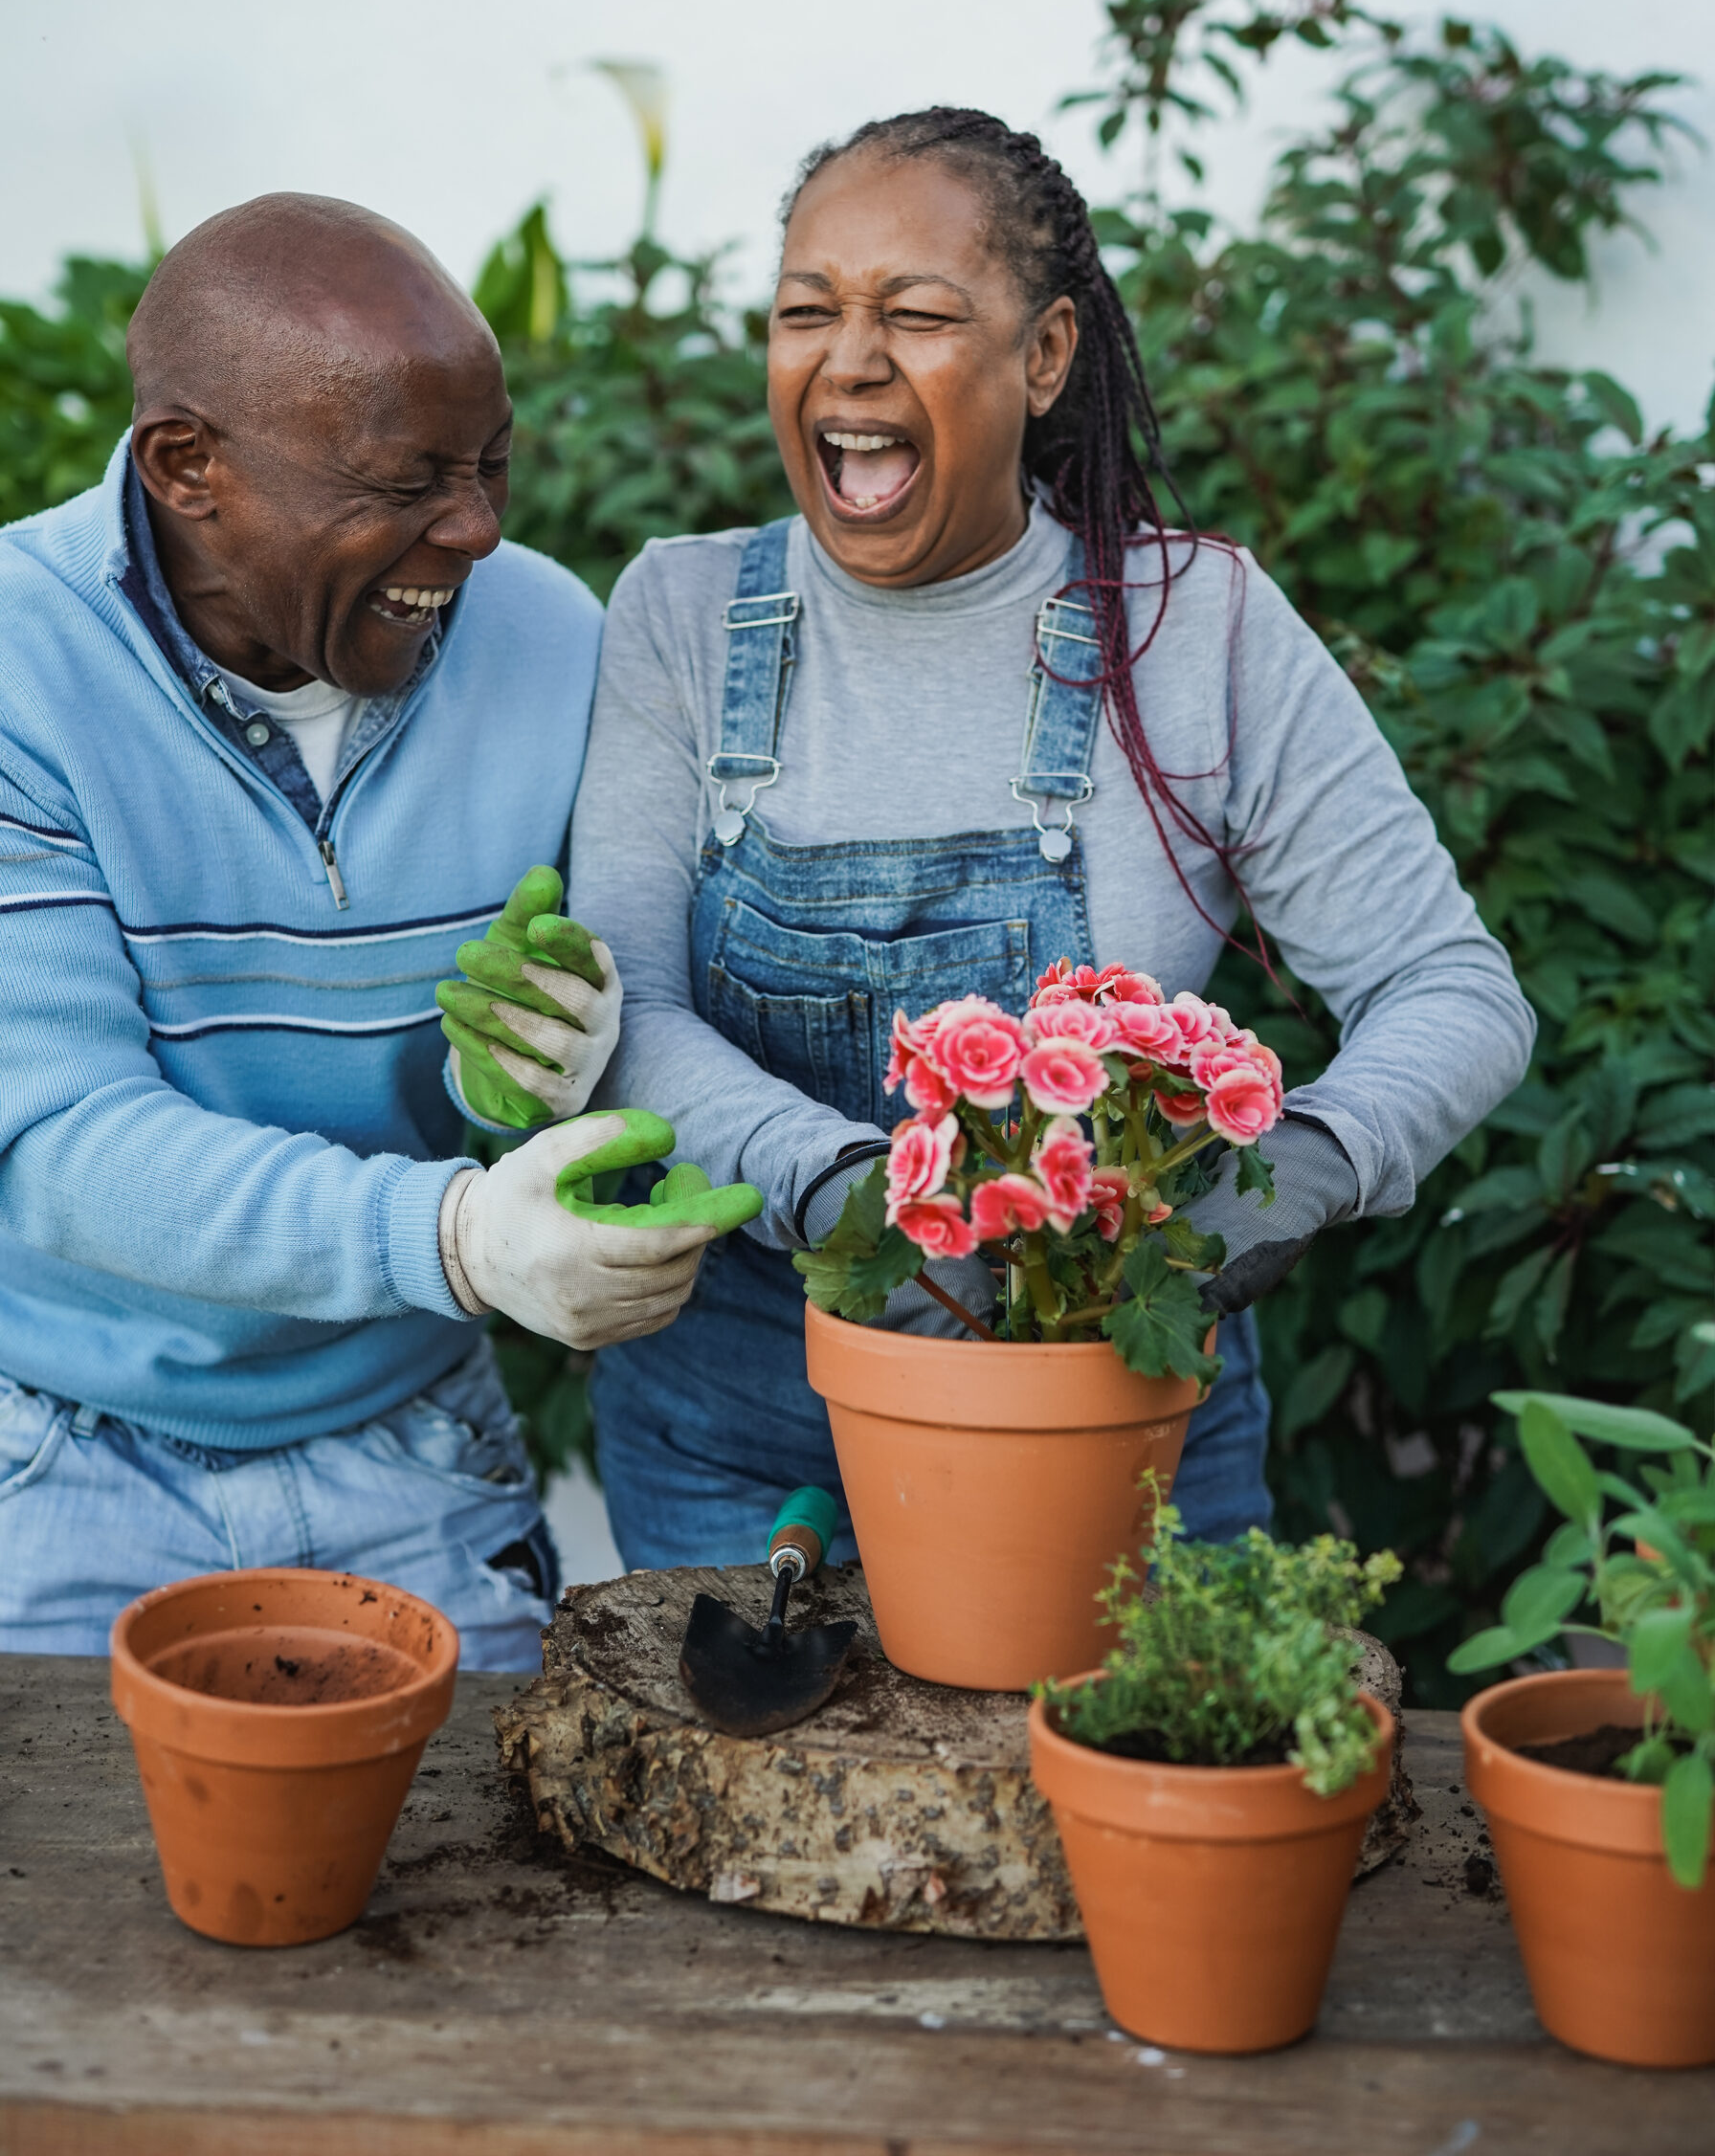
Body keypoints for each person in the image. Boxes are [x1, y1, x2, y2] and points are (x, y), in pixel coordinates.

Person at [457, 108, 1537, 1571]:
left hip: (1116, 1419)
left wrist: (1313, 1160)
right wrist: (852, 1200)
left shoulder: (1192, 627)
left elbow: (1453, 989)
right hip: (739, 1435)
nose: (847, 359)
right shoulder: (686, 616)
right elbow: (625, 1011)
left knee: (1137, 1788)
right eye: (804, 312)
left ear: (1044, 357)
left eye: (915, 313)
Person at [0, 194, 719, 1666]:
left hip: (411, 1448)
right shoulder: (22, 663)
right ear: (188, 466)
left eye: (492, 465)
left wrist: (519, 1075)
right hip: (58, 1455)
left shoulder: (548, 636)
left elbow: (566, 1023)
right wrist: (454, 1235)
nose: (478, 529)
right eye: (405, 481)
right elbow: (59, 1144)